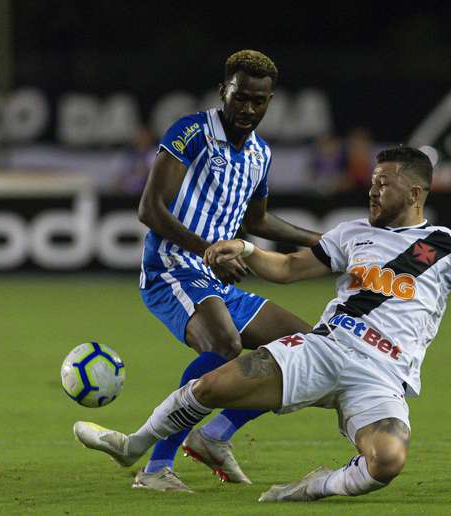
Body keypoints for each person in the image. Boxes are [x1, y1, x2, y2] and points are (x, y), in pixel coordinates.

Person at [75, 146, 451, 501]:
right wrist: (245, 249)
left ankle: (314, 486)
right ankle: (135, 444)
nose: (373, 189)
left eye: (384, 183)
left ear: (415, 191)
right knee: (210, 387)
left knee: (388, 462)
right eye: (372, 181)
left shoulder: (444, 245)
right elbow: (287, 269)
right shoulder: (351, 234)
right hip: (324, 349)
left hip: (384, 376)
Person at [134, 49, 321, 491]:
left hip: (217, 277)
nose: (249, 110)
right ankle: (156, 468)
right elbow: (150, 208)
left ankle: (215, 436)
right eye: (241, 98)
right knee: (224, 346)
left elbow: (256, 221)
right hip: (173, 268)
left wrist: (320, 241)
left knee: (309, 352)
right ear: (224, 91)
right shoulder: (192, 132)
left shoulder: (260, 154)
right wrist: (208, 249)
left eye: (260, 101)